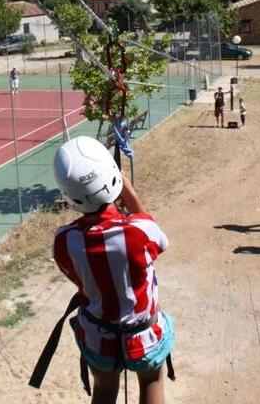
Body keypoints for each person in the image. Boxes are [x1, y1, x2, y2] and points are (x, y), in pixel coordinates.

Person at [51, 136, 174, 404]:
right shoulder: (139, 232)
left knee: (104, 389)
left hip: (99, 337)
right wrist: (129, 192)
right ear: (113, 179)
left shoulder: (64, 241)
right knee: (152, 380)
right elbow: (157, 235)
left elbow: (75, 274)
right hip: (143, 334)